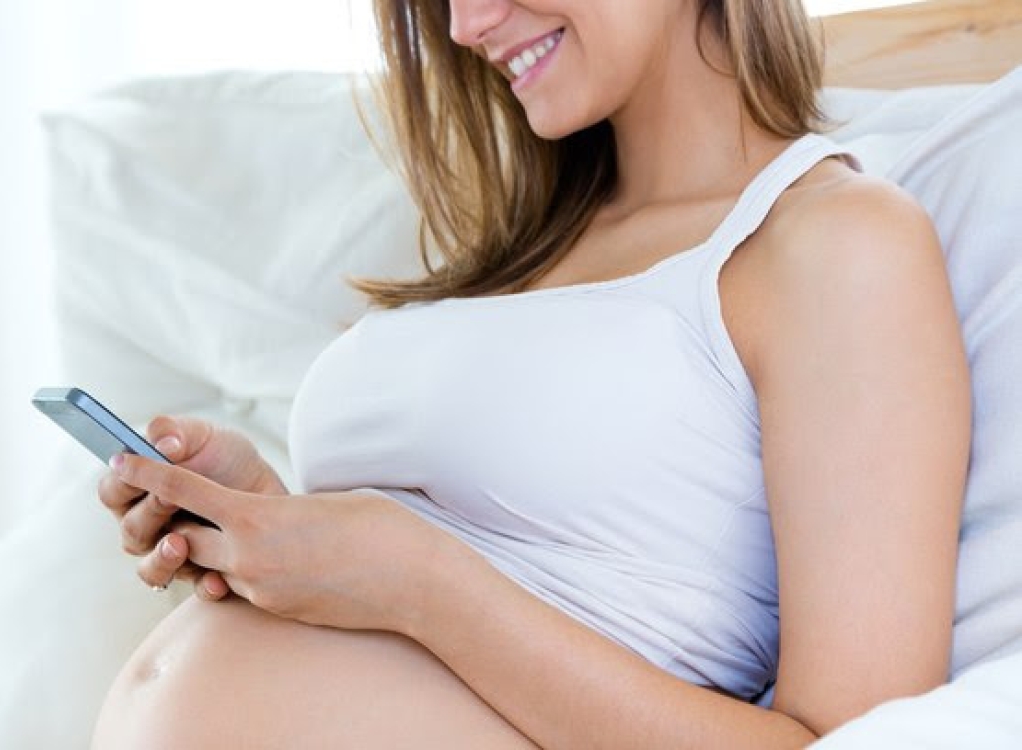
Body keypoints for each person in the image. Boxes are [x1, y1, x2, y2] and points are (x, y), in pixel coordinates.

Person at [91, 0, 971, 747]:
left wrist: (422, 583)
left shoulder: (838, 245)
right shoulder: (513, 253)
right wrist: (265, 522)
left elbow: (860, 741)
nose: (467, 23)